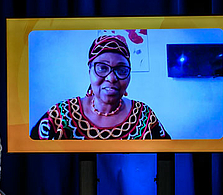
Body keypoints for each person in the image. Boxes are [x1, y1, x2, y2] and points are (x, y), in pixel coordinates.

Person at [30, 34, 170, 140]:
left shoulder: (144, 117)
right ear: (89, 71)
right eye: (102, 68)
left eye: (121, 70)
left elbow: (165, 160)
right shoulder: (61, 116)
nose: (112, 78)